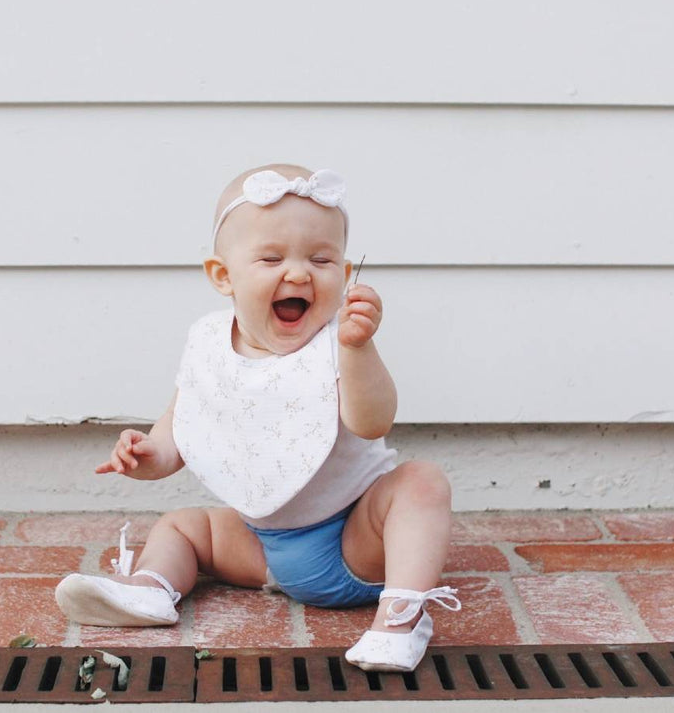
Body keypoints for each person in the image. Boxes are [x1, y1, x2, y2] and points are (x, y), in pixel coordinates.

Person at [55, 164, 459, 672]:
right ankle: (153, 588)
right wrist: (144, 456)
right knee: (183, 526)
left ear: (346, 271)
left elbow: (372, 421)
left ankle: (402, 615)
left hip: (353, 541)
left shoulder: (341, 342)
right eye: (271, 257)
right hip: (261, 550)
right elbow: (176, 434)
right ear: (224, 276)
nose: (298, 273)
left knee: (421, 482)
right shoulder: (209, 344)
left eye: (322, 258)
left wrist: (358, 349)